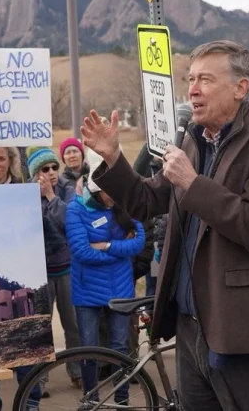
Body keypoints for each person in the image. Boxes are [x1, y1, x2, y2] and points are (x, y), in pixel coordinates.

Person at [84, 40, 249, 409]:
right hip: (190, 326)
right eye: (191, 79)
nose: (193, 90)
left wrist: (193, 183)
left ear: (240, 87)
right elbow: (147, 201)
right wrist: (114, 159)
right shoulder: (193, 142)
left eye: (205, 80)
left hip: (241, 330)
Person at [66, 149, 145, 404]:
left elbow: (139, 243)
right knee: (89, 351)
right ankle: (91, 400)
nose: (114, 197)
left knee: (120, 349)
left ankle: (122, 402)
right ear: (95, 190)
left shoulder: (124, 203)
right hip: (87, 290)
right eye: (108, 192)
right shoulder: (76, 209)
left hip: (120, 288)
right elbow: (81, 252)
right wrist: (120, 251)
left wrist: (107, 246)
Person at [26, 146, 82, 388]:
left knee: (73, 324)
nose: (50, 172)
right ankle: (39, 379)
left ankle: (77, 372)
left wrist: (50, 196)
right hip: (41, 271)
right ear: (35, 173)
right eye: (44, 169)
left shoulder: (67, 189)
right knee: (42, 328)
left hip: (67, 267)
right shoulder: (26, 194)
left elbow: (70, 221)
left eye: (54, 167)